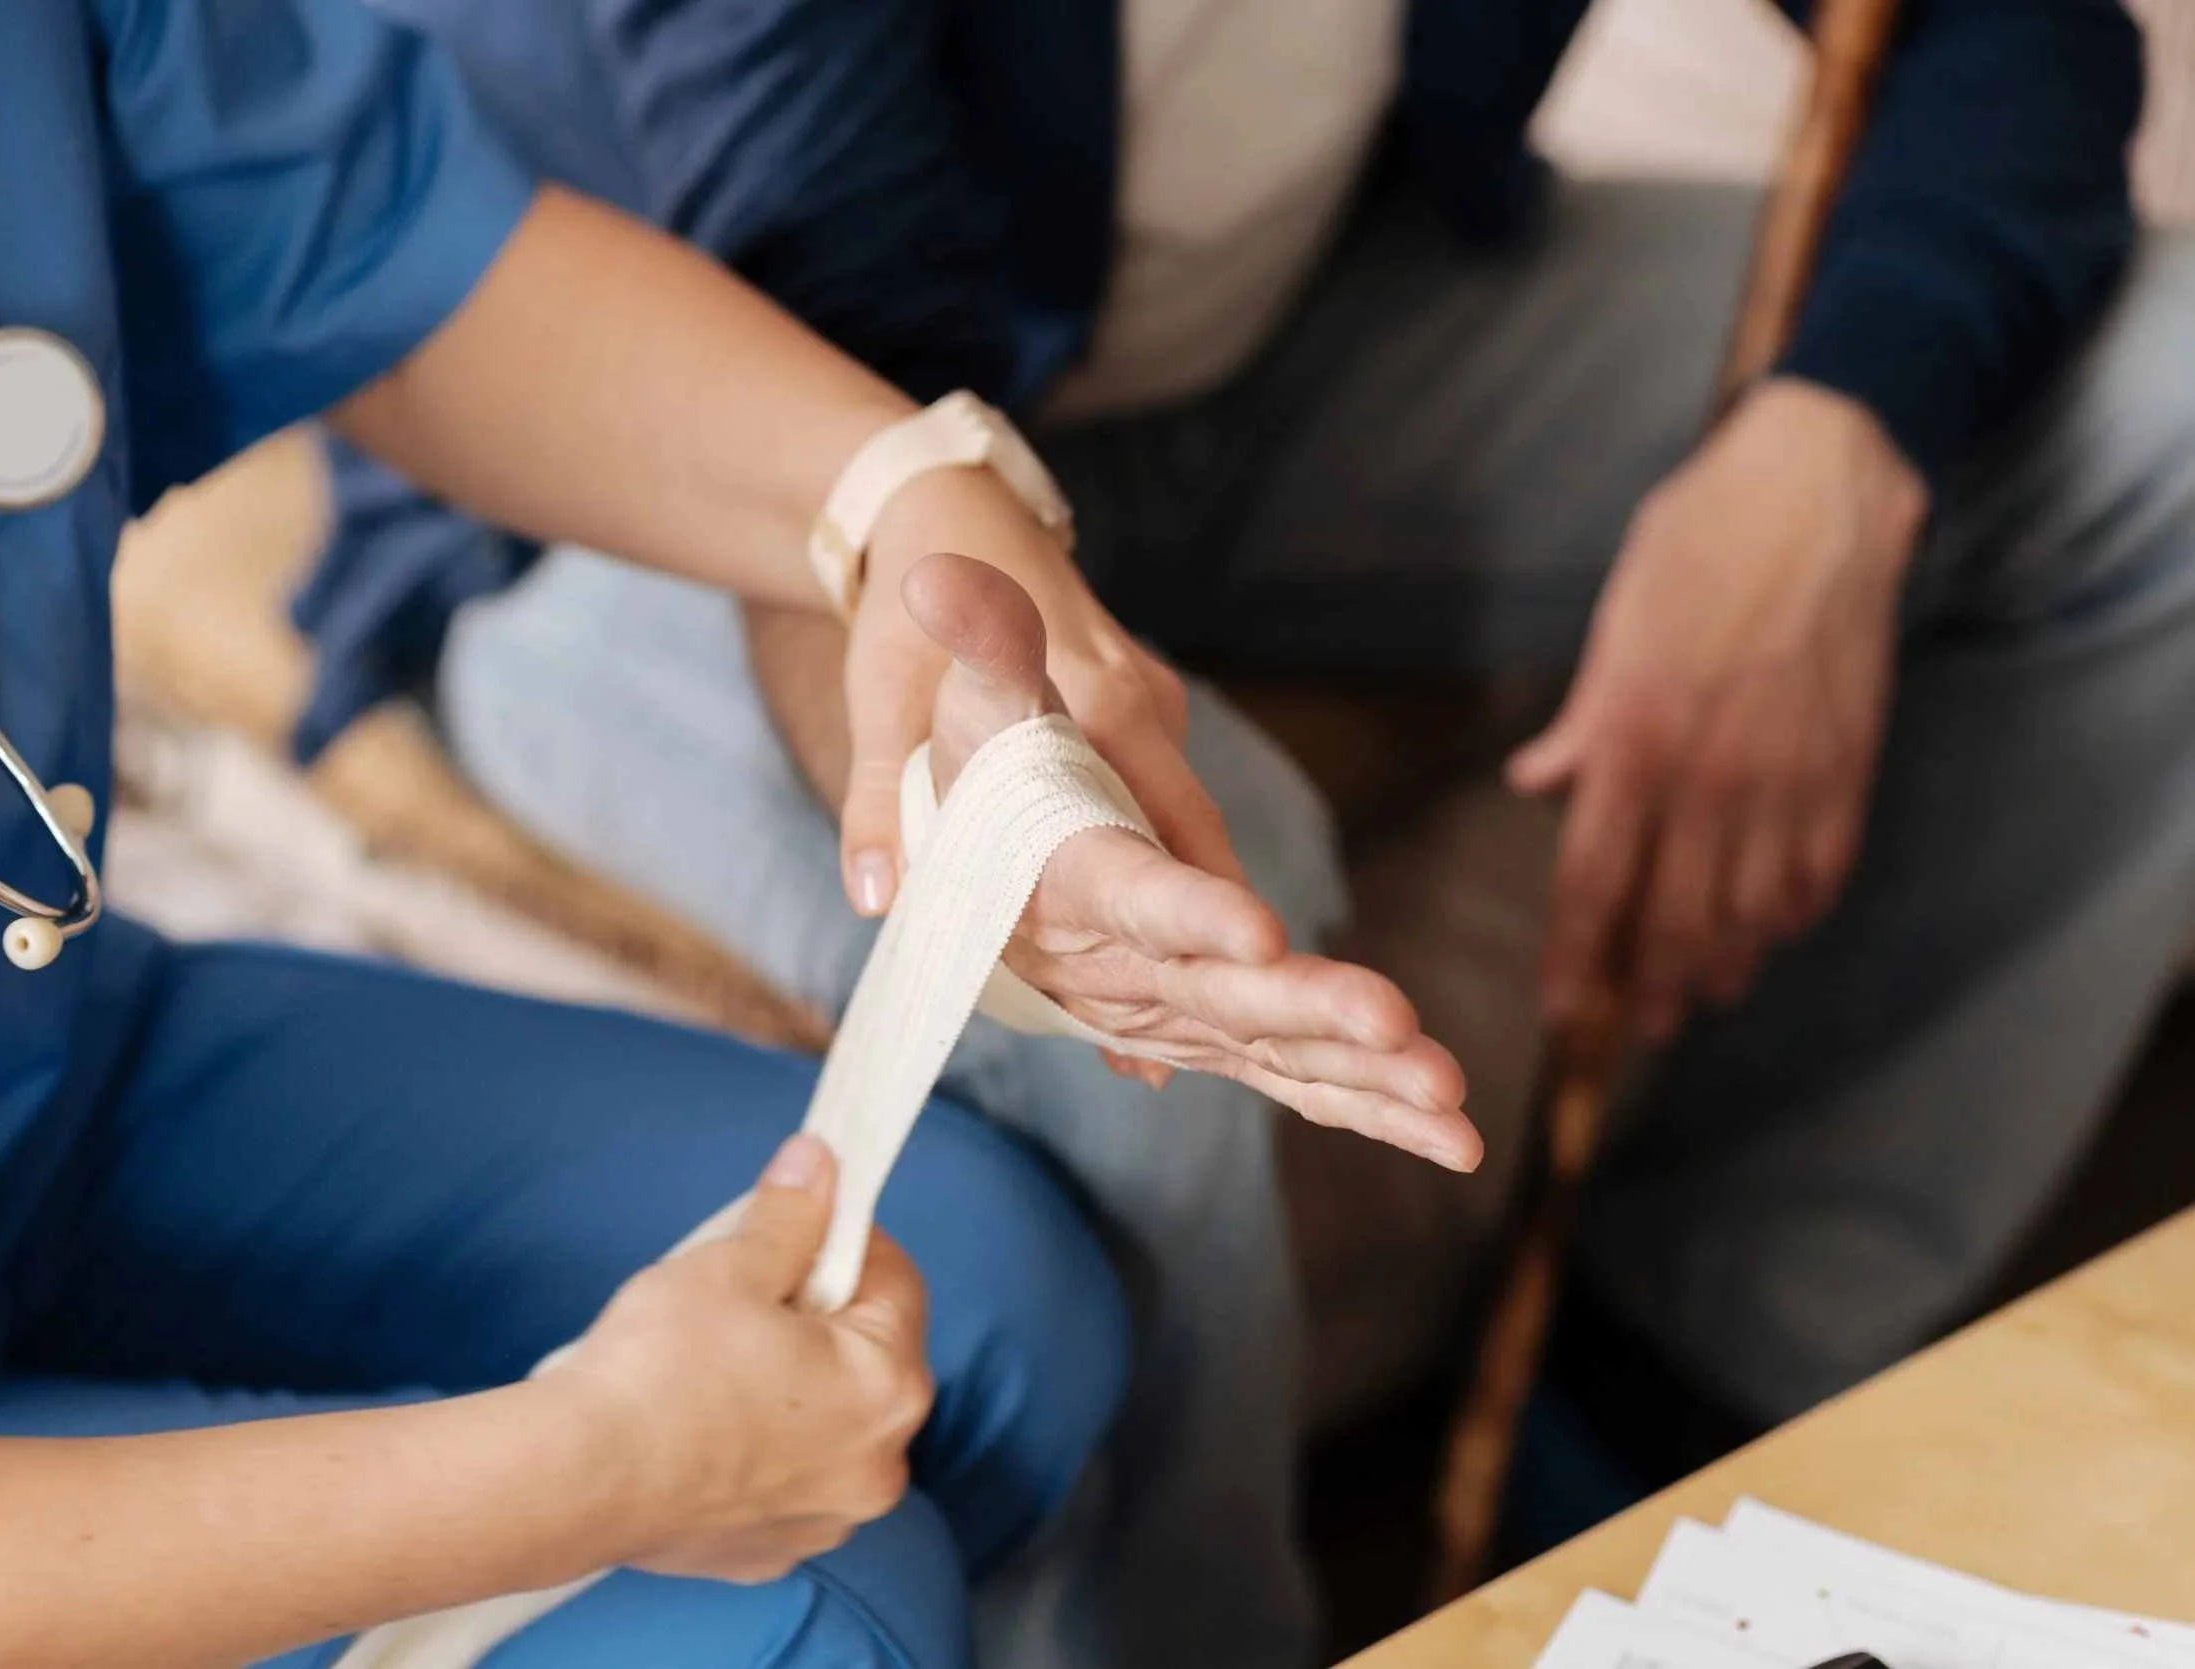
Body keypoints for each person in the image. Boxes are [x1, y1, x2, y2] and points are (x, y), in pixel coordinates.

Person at [305, 0, 2195, 1653]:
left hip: (1269, 343)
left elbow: (2008, 36)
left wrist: (1827, 454)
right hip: (665, 452)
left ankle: (1679, 1410)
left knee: (2169, 412)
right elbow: (839, 347)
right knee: (1199, 896)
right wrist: (1003, 782)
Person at [0, 1, 1481, 1665]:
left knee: (989, 1306)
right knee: (816, 1611)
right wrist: (595, 1466)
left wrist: (901, 507)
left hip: (15, 1075)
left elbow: (389, 262)